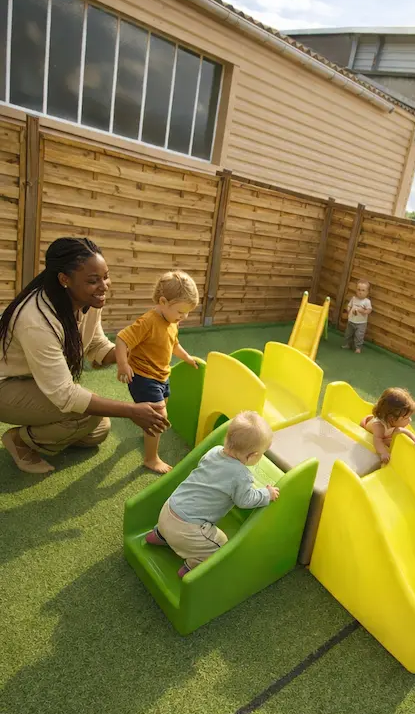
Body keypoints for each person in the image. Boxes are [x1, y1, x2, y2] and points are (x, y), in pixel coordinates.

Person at [0, 237, 168, 475]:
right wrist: (132, 410)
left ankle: (49, 428)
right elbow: (65, 395)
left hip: (37, 380)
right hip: (7, 387)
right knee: (82, 413)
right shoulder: (36, 320)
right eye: (93, 280)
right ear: (64, 280)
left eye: (105, 276)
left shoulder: (85, 301)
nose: (104, 286)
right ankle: (20, 440)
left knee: (98, 430)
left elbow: (96, 345)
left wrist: (133, 352)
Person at [146, 410, 280, 577]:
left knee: (175, 522)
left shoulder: (214, 451)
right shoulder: (241, 475)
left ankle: (159, 535)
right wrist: (266, 494)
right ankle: (192, 565)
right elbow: (245, 500)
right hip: (187, 530)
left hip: (168, 510)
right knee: (221, 546)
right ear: (253, 456)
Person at [116, 271, 200, 474]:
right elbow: (122, 339)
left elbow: (174, 344)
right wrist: (122, 365)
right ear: (163, 301)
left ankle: (147, 432)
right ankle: (151, 458)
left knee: (160, 410)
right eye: (181, 311)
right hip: (143, 377)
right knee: (159, 416)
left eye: (187, 312)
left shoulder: (172, 322)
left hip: (162, 375)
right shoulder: (148, 321)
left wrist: (187, 357)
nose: (184, 317)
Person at [361, 387, 415, 464]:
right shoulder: (379, 426)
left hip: (386, 432)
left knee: (396, 434)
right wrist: (383, 453)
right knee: (387, 441)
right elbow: (377, 441)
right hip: (368, 429)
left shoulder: (393, 422)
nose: (410, 420)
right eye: (406, 418)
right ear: (391, 418)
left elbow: (405, 431)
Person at [342, 279, 372, 353]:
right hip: (351, 320)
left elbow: (369, 310)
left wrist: (363, 311)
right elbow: (349, 306)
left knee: (359, 336)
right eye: (358, 290)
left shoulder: (367, 301)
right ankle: (348, 344)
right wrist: (348, 310)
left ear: (367, 292)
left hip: (361, 323)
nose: (360, 292)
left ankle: (358, 348)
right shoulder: (354, 298)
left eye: (363, 290)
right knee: (348, 334)